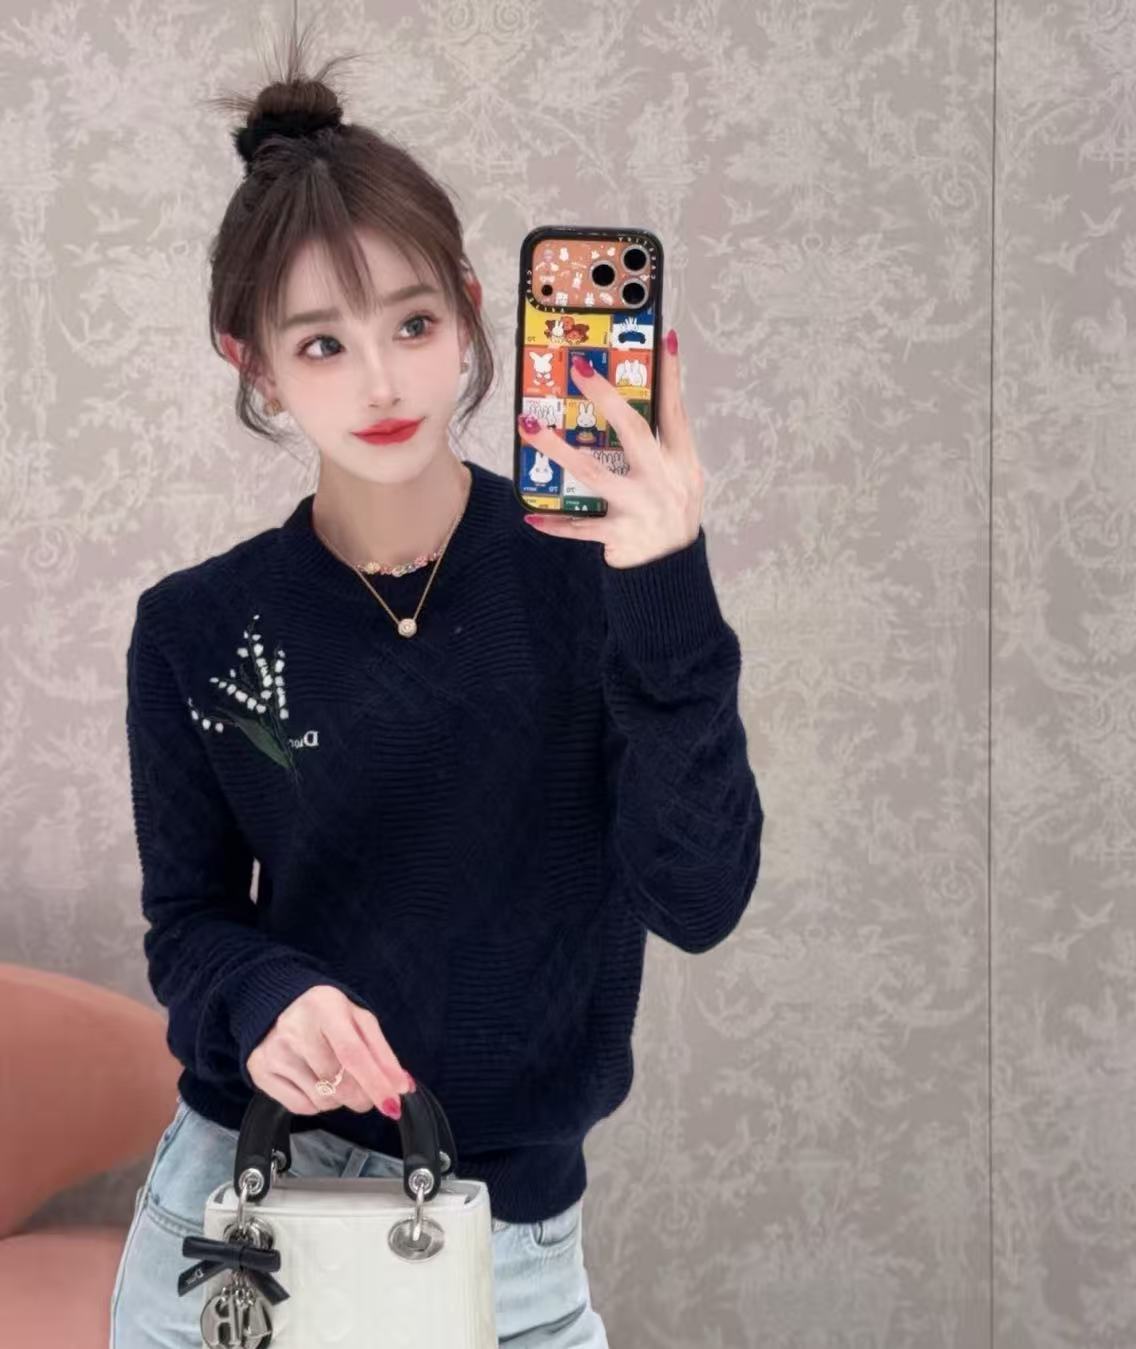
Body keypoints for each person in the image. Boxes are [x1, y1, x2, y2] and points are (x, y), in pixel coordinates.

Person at [109, 13, 764, 1349]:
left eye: (412, 321)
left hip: (511, 1245)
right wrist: (267, 999)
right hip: (245, 1228)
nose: (383, 380)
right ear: (252, 364)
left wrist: (665, 581)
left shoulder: (597, 581)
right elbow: (191, 927)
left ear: (470, 309)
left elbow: (699, 898)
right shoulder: (194, 628)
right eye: (322, 344)